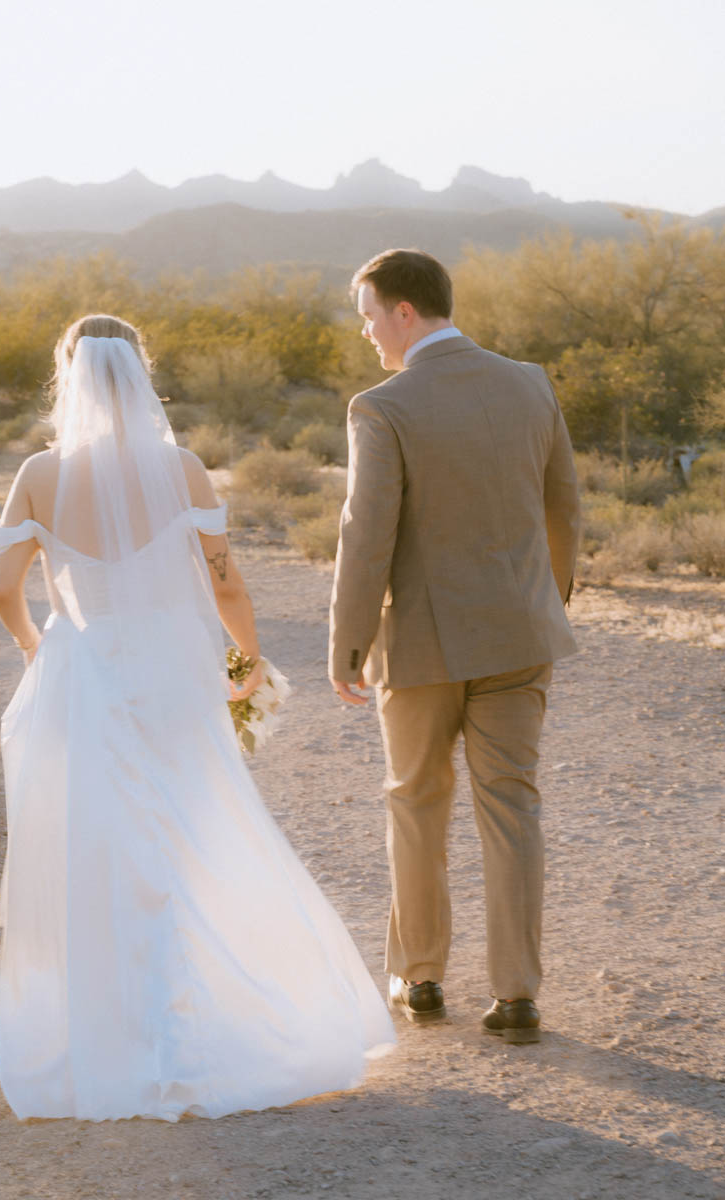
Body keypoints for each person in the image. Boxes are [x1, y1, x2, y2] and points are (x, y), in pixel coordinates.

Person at [0, 314, 393, 1122]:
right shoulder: (184, 469)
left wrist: (38, 645)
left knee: (96, 844)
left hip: (85, 671)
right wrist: (243, 664)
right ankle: (203, 1019)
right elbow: (228, 585)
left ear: (67, 374)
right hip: (174, 675)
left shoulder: (39, 472)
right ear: (142, 371)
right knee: (190, 834)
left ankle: (110, 1032)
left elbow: (2, 588)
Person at [329, 250, 580, 1044]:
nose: (367, 333)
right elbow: (565, 507)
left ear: (405, 311)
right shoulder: (531, 384)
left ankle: (422, 978)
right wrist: (546, 600)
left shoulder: (383, 406)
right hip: (519, 633)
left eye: (369, 314)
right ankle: (516, 998)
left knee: (416, 802)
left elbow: (364, 538)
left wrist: (350, 639)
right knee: (513, 806)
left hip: (422, 645)